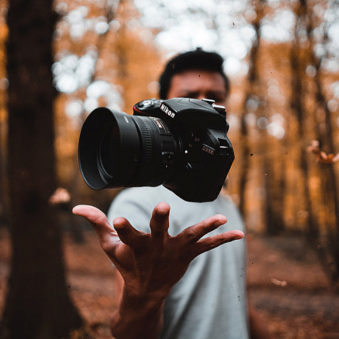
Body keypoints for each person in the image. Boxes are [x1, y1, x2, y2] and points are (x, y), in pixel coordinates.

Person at [73, 49, 268, 339]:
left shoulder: (224, 202)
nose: (205, 107)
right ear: (165, 104)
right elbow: (128, 332)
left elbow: (238, 301)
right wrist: (145, 295)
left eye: (214, 97)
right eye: (192, 96)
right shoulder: (139, 204)